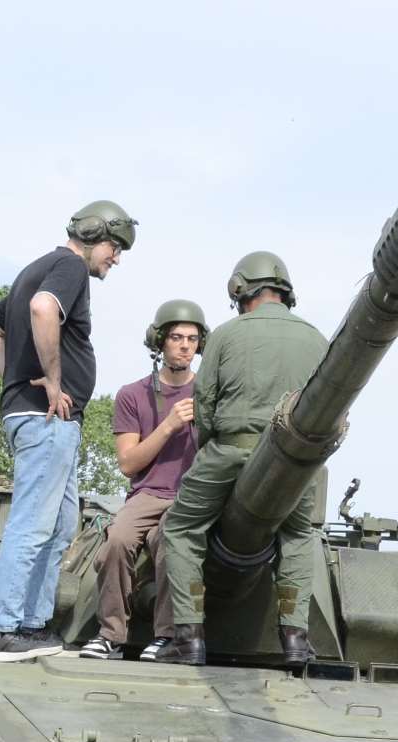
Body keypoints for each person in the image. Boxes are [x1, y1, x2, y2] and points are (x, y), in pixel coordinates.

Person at [0, 199, 137, 662]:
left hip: (39, 417)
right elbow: (46, 309)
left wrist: (16, 380)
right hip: (47, 420)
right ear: (92, 234)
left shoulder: (35, 267)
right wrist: (51, 383)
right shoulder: (69, 268)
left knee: (61, 524)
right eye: (114, 246)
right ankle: (4, 630)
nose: (116, 258)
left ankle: (32, 625)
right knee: (33, 523)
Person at [158, 252, 330, 666]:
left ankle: (189, 637)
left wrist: (210, 454)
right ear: (285, 291)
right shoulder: (317, 338)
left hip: (230, 449)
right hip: (294, 462)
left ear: (239, 289)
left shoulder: (226, 335)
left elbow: (205, 404)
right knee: (299, 536)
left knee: (181, 527)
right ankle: (294, 638)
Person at [79, 300, 208, 662]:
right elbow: (127, 462)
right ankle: (110, 635)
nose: (185, 345)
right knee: (116, 541)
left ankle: (167, 636)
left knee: (171, 541)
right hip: (147, 492)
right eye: (176, 337)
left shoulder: (210, 395)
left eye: (193, 339)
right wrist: (169, 426)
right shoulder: (132, 395)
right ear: (160, 342)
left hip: (192, 495)